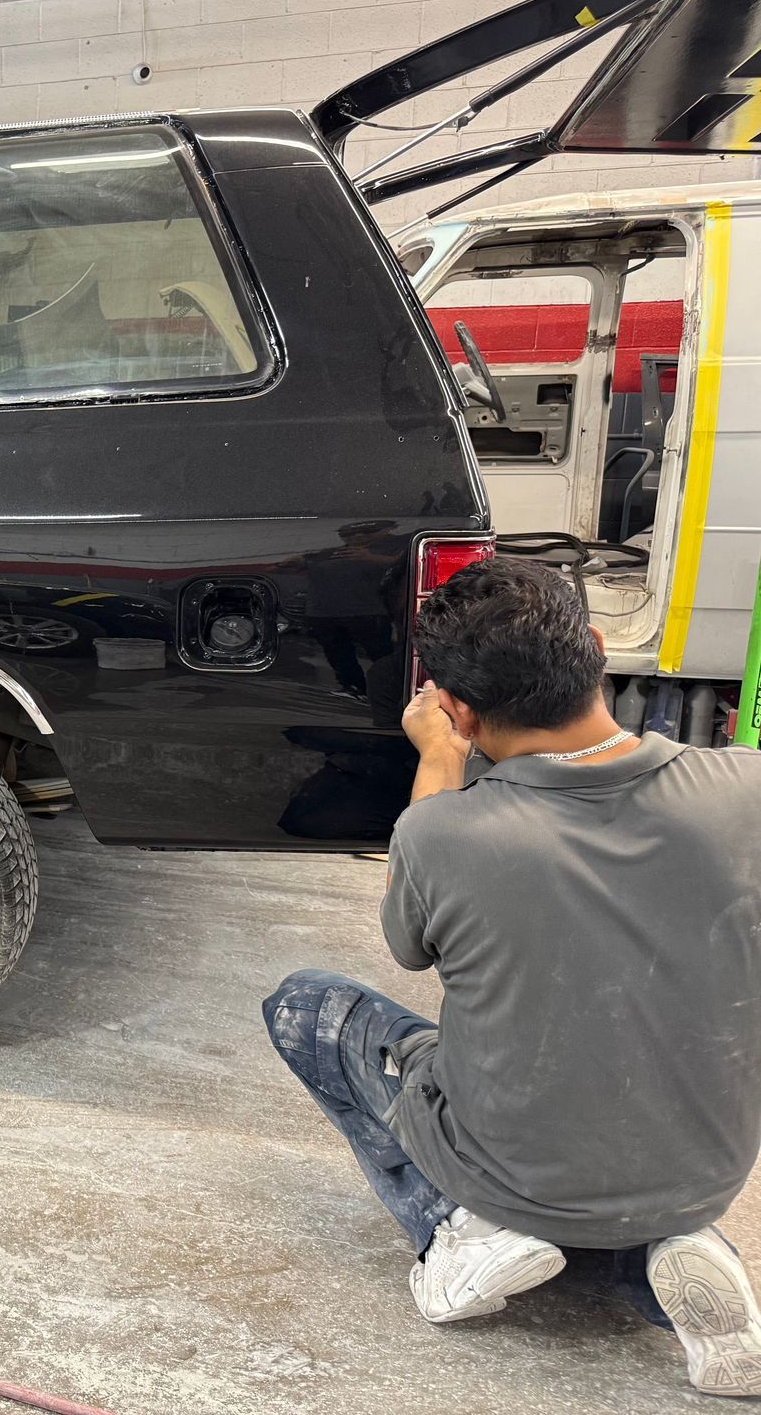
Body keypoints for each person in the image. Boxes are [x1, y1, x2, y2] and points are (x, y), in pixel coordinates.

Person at [263, 555, 761, 1397]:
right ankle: (676, 1255)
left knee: (308, 1006)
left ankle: (461, 1228)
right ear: (594, 646)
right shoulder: (746, 788)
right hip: (701, 1173)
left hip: (516, 1173)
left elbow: (407, 945)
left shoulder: (445, 835)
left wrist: (438, 759)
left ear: (457, 709)